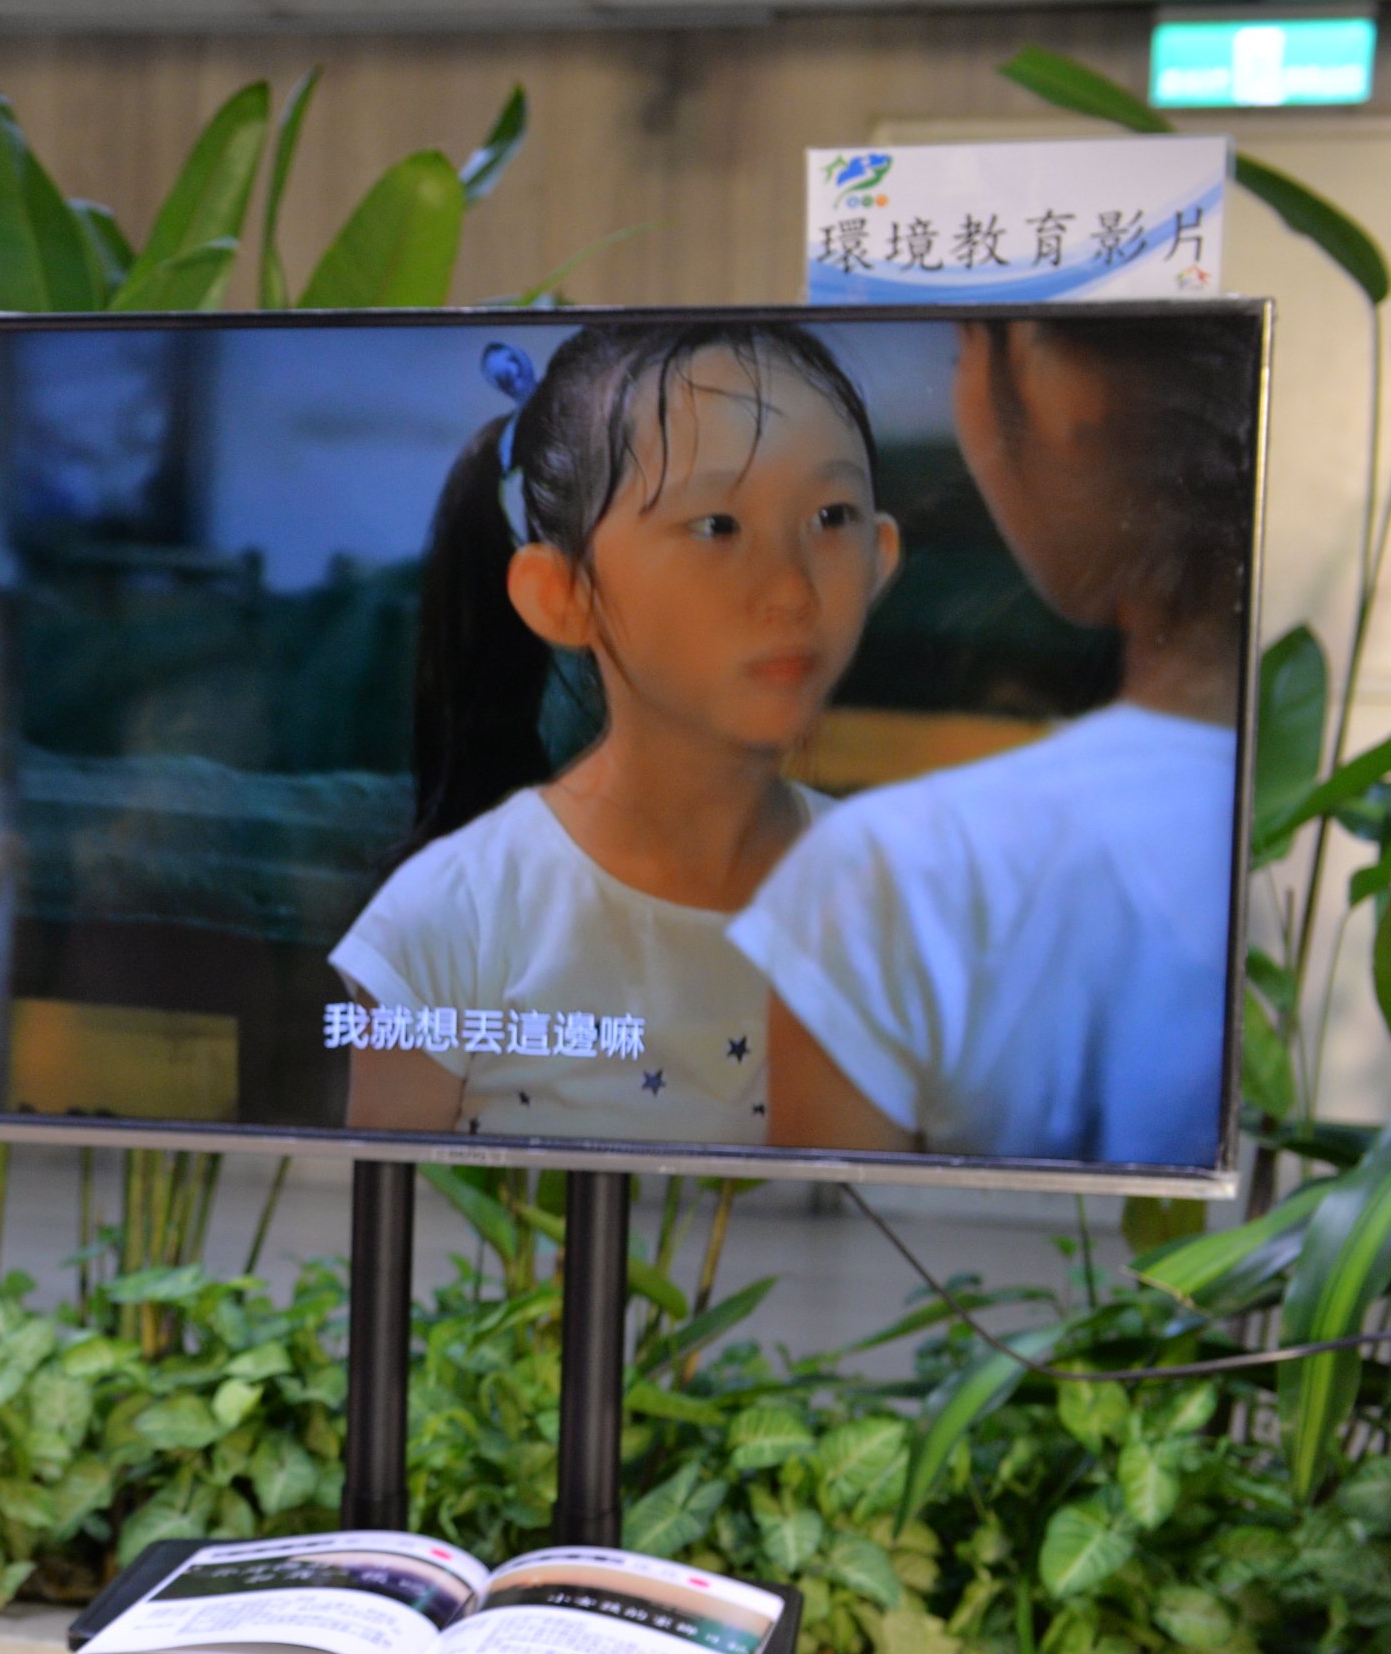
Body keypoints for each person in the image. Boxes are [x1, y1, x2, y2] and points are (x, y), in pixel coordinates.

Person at [332, 323, 901, 1142]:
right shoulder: (447, 921)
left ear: (881, 554)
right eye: (716, 525)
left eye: (831, 515)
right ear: (562, 595)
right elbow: (387, 1214)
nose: (790, 590)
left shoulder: (903, 907)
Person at [730, 315, 1259, 1166]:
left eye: (961, 350)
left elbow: (829, 1230)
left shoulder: (899, 875)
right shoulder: (1327, 824)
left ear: (1057, 383)